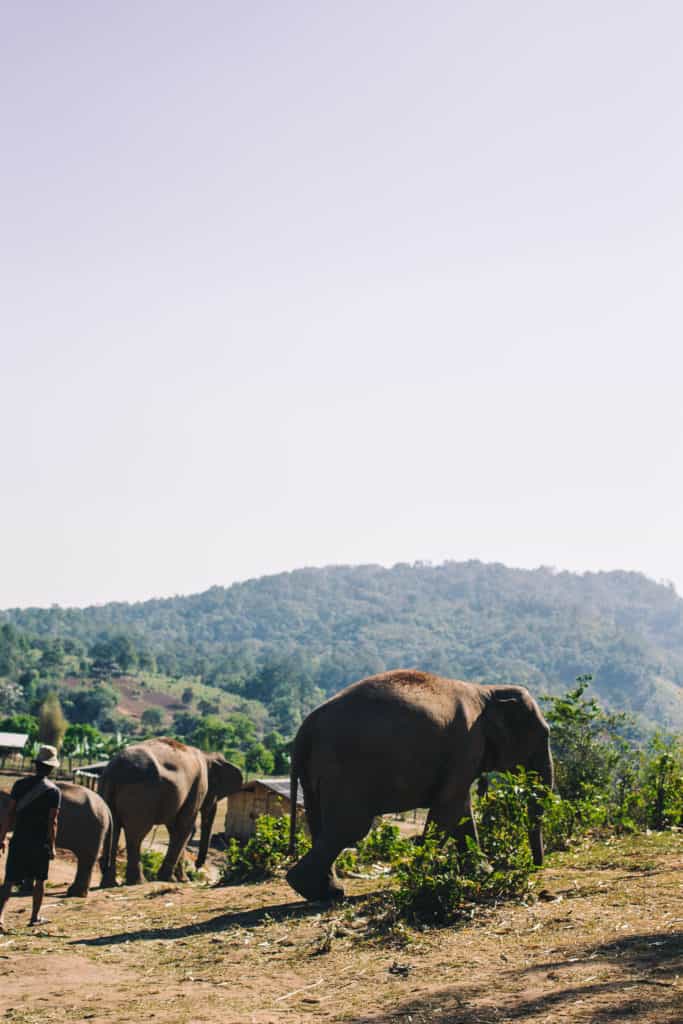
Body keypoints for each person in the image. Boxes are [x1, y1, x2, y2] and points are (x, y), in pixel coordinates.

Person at [0, 745, 62, 932]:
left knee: (9, 881)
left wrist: (2, 837)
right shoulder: (53, 791)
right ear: (51, 768)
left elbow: (10, 814)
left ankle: (0, 918)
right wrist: (52, 846)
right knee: (39, 880)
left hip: (19, 839)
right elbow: (53, 821)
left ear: (36, 765)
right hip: (40, 841)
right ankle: (34, 917)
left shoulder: (19, 785)